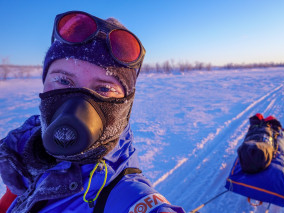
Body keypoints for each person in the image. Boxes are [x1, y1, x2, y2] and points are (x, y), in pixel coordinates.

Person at [0, 11, 185, 213]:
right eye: (63, 80)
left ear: (125, 105)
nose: (76, 106)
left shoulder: (127, 196)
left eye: (104, 89)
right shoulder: (25, 159)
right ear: (44, 83)